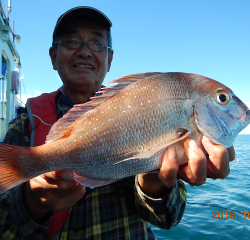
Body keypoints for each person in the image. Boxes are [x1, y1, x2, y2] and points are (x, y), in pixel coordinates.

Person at [0, 6, 234, 240]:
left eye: (97, 43)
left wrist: (154, 183)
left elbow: (168, 219)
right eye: (71, 41)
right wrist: (32, 202)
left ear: (109, 59)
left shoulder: (137, 106)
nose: (84, 51)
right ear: (53, 56)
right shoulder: (23, 127)